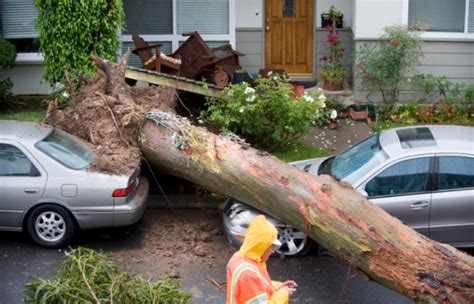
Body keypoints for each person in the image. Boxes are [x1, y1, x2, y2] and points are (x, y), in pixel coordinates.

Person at [226, 215, 297, 304]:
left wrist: (280, 286)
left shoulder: (239, 258)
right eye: (271, 247)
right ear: (262, 246)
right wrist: (283, 293)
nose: (273, 251)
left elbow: (258, 285)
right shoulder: (248, 273)